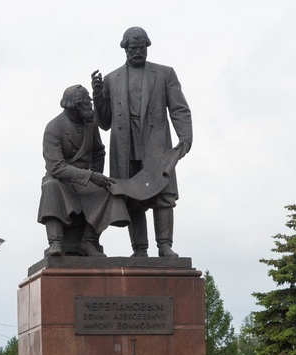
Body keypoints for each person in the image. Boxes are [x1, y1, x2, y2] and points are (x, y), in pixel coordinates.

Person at [92, 26, 193, 257]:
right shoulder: (111, 79)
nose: (137, 52)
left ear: (147, 47)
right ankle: (140, 249)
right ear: (125, 49)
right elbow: (104, 122)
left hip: (156, 146)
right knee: (132, 197)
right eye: (133, 49)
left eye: (141, 48)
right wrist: (98, 95)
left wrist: (185, 137)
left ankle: (165, 245)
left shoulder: (165, 74)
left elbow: (179, 109)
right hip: (125, 147)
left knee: (163, 196)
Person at [37, 85, 129, 257]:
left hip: (83, 181)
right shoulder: (54, 127)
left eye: (89, 103)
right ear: (74, 107)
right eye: (85, 105)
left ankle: (88, 242)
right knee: (50, 186)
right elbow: (55, 167)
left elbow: (98, 152)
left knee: (111, 190)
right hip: (61, 181)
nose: (89, 108)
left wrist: (97, 177)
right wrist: (90, 176)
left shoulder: (90, 123)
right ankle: (55, 242)